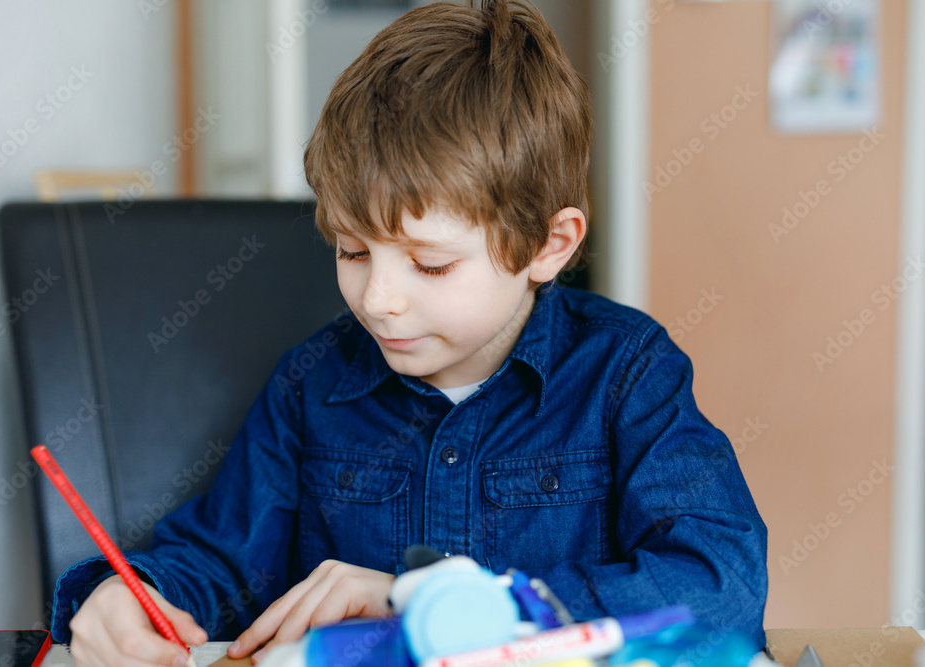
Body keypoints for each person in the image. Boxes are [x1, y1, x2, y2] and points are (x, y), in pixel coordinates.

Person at [50, 1, 769, 665]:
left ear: (548, 245)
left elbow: (721, 586)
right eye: (352, 251)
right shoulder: (310, 385)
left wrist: (431, 601)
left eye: (430, 264)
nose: (378, 300)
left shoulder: (627, 374)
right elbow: (218, 562)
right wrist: (128, 597)